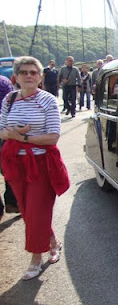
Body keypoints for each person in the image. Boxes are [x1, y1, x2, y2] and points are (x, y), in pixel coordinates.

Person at [0, 56, 70, 280]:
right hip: (14, 164)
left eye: (33, 72)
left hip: (40, 165)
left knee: (37, 210)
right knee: (28, 211)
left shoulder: (48, 101)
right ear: (16, 77)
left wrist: (22, 136)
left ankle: (35, 258)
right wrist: (12, 135)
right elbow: (2, 130)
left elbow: (52, 137)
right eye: (24, 72)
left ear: (40, 77)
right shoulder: (9, 99)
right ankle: (52, 242)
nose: (29, 76)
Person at [0, 75, 19, 220]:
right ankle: (12, 202)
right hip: (5, 130)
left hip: (4, 130)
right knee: (9, 168)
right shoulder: (4, 81)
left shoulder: (3, 81)